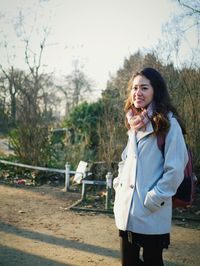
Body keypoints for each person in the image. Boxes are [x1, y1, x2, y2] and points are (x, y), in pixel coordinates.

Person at [113, 67, 188, 266]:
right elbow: (126, 159)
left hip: (150, 210)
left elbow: (175, 169)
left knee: (152, 261)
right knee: (128, 262)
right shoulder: (134, 122)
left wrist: (154, 199)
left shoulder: (169, 124)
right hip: (127, 208)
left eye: (144, 88)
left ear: (156, 91)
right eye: (135, 88)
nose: (138, 93)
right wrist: (118, 184)